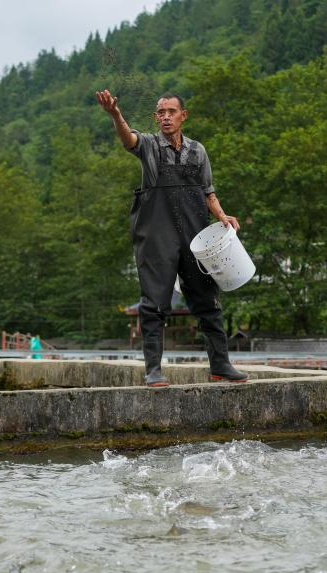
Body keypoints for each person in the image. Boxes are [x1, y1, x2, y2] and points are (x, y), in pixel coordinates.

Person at [95, 89, 248, 387]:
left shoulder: (198, 151)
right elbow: (129, 140)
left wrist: (222, 216)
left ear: (183, 116)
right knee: (154, 304)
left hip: (195, 237)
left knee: (208, 301)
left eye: (171, 112)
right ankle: (153, 369)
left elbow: (208, 192)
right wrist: (115, 114)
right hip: (156, 237)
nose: (165, 117)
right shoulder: (150, 146)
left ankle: (220, 365)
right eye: (160, 113)